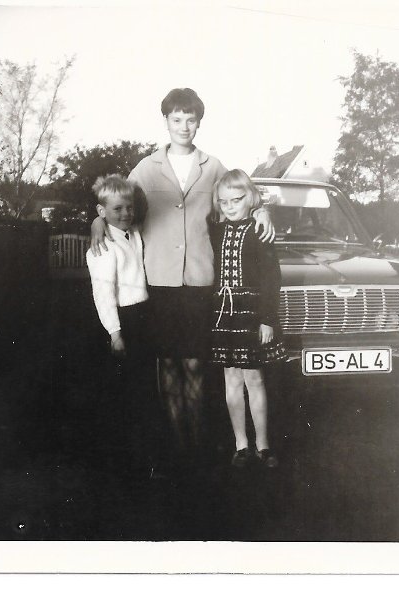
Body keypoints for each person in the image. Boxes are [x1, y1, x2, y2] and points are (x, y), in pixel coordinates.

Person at [89, 88, 275, 468]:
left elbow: (240, 195)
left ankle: (198, 445)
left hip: (200, 282)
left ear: (199, 122)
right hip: (158, 283)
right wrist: (96, 221)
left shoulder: (214, 166)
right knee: (168, 366)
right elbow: (117, 205)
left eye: (191, 120)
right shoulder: (145, 169)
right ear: (166, 122)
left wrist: (262, 211)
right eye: (177, 119)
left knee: (194, 364)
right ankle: (176, 448)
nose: (184, 127)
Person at [210, 169, 287, 468]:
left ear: (250, 198)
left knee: (254, 378)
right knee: (231, 378)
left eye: (237, 200)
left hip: (252, 314)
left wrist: (267, 318)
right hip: (224, 314)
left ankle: (262, 445)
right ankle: (240, 444)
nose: (229, 207)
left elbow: (271, 278)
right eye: (223, 201)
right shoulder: (216, 230)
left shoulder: (259, 229)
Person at [85, 174, 156, 473]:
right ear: (102, 212)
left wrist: (99, 220)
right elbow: (103, 294)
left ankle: (143, 455)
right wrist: (115, 334)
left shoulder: (132, 233)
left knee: (142, 388)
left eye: (129, 207)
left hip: (142, 317)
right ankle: (123, 460)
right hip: (121, 321)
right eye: (117, 209)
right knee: (122, 391)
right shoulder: (102, 246)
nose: (126, 213)